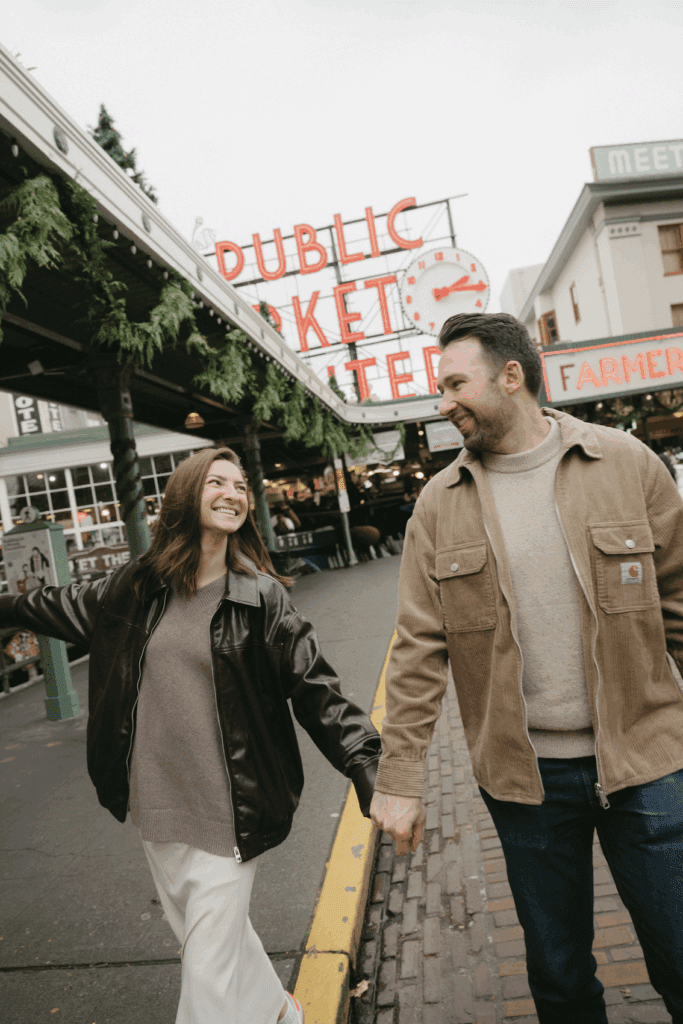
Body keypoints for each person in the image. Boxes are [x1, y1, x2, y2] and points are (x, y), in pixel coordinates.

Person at [369, 312, 683, 1024]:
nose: (441, 401)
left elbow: (679, 596)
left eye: (454, 383)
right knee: (560, 978)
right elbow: (417, 648)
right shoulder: (437, 505)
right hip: (525, 781)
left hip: (649, 761)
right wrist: (401, 779)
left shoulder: (623, 462)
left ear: (510, 376)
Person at [0, 446, 382, 1024]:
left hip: (231, 808)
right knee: (218, 942)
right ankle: (279, 1012)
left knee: (206, 977)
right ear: (186, 494)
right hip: (157, 805)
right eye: (217, 482)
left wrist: (368, 766)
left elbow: (315, 688)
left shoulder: (261, 597)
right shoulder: (137, 587)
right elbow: (59, 604)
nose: (233, 493)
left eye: (240, 486)